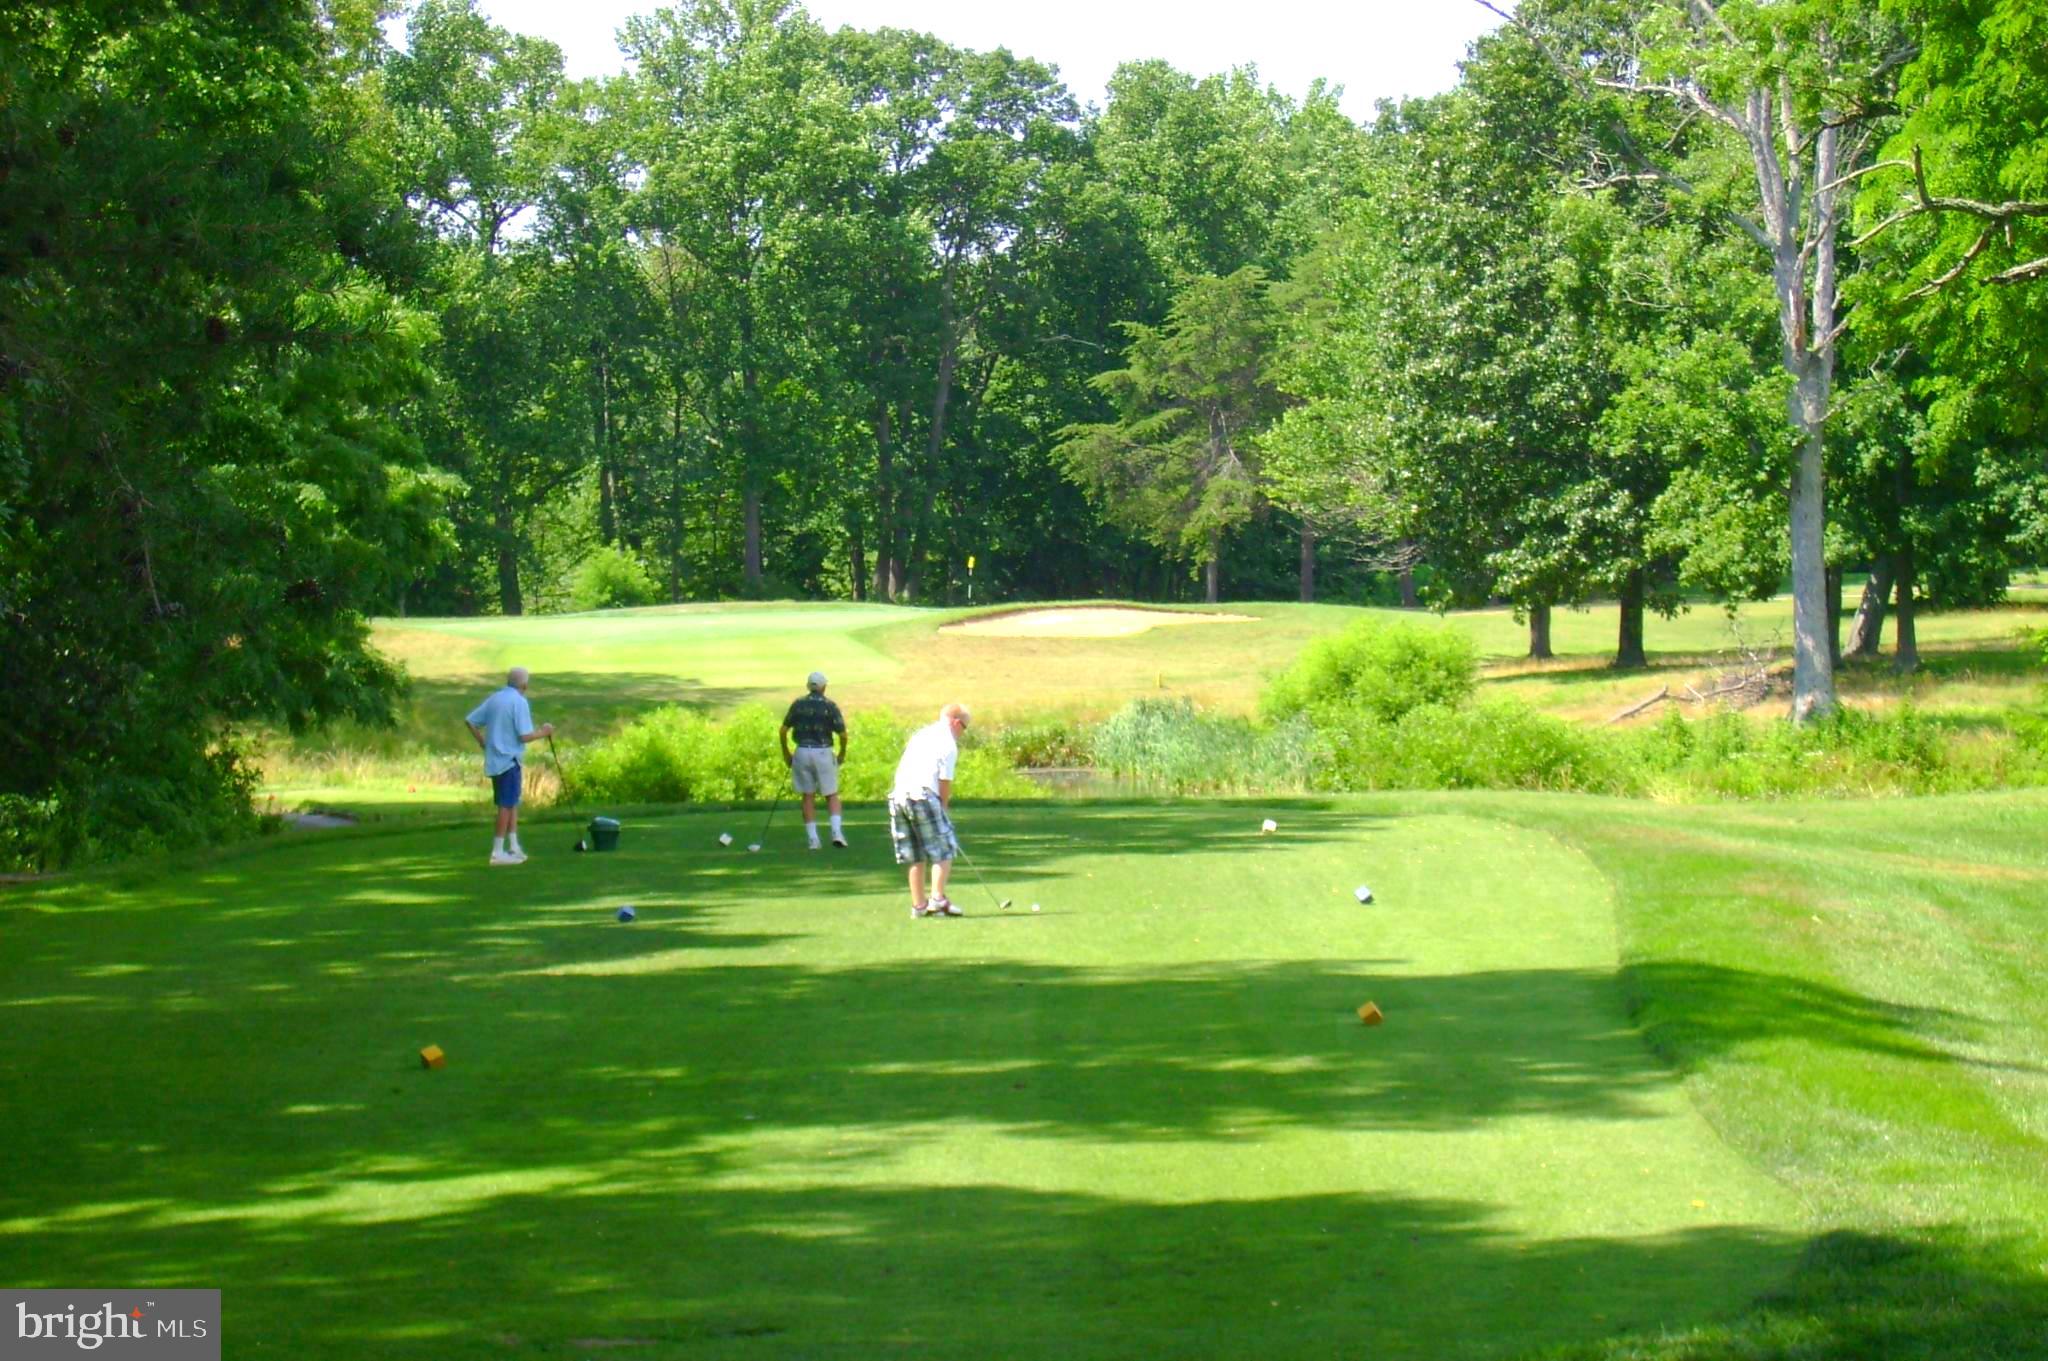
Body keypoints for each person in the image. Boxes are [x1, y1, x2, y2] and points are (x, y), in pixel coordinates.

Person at [464, 667, 554, 866]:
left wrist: (482, 742)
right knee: (506, 806)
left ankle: (513, 846)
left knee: (511, 803)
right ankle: (497, 852)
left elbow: (470, 721)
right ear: (524, 685)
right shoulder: (519, 702)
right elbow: (525, 736)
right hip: (509, 760)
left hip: (496, 760)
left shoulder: (495, 698)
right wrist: (544, 732)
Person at [889, 702, 970, 917]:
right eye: (964, 727)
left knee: (914, 852)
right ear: (955, 722)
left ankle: (919, 906)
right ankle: (938, 899)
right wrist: (943, 809)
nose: (963, 732)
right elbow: (944, 782)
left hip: (899, 796)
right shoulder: (948, 744)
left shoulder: (921, 734)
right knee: (944, 848)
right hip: (923, 795)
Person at [779, 670, 848, 850]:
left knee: (808, 795)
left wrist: (786, 752)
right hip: (823, 751)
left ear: (808, 686)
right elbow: (843, 734)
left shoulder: (798, 705)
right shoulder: (829, 706)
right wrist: (842, 753)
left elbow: (783, 730)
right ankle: (836, 833)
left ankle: (813, 839)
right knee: (831, 794)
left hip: (802, 751)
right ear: (824, 687)